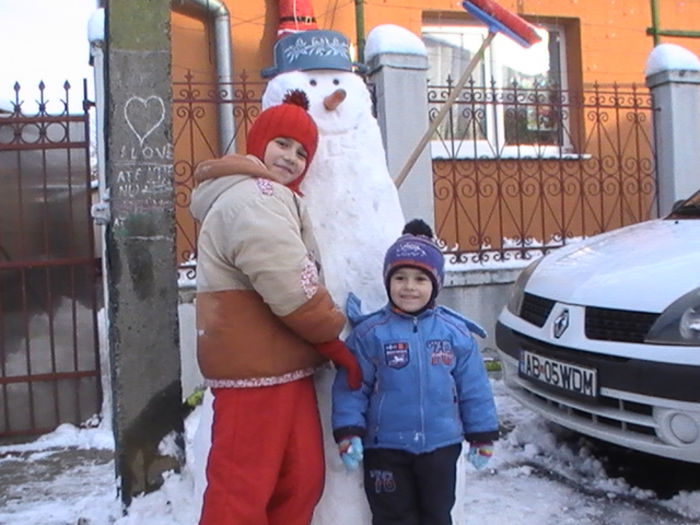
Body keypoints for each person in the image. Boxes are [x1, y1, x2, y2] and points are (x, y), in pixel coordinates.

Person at [190, 89, 362, 525]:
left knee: (299, 481)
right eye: (282, 143)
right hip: (252, 375)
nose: (291, 157)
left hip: (282, 367)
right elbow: (291, 283)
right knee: (241, 492)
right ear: (258, 142)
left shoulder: (276, 199)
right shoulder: (253, 199)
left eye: (302, 152)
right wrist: (333, 340)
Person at [331, 219, 499, 525]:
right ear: (388, 282)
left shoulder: (454, 333)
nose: (409, 287)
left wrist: (482, 435)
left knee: (437, 515)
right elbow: (353, 386)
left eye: (420, 279)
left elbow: (474, 387)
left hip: (441, 447)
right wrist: (349, 431)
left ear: (435, 284)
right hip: (386, 449)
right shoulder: (371, 334)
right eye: (400, 278)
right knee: (392, 517)